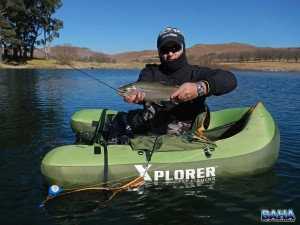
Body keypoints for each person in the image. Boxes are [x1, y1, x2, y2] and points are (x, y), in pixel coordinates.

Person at [113, 27, 237, 141]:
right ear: (159, 52)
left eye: (175, 48)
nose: (170, 53)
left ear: (183, 48)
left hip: (180, 132)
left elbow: (229, 79)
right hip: (149, 124)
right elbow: (141, 85)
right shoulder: (150, 71)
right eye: (165, 49)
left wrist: (200, 87)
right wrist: (136, 98)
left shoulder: (197, 73)